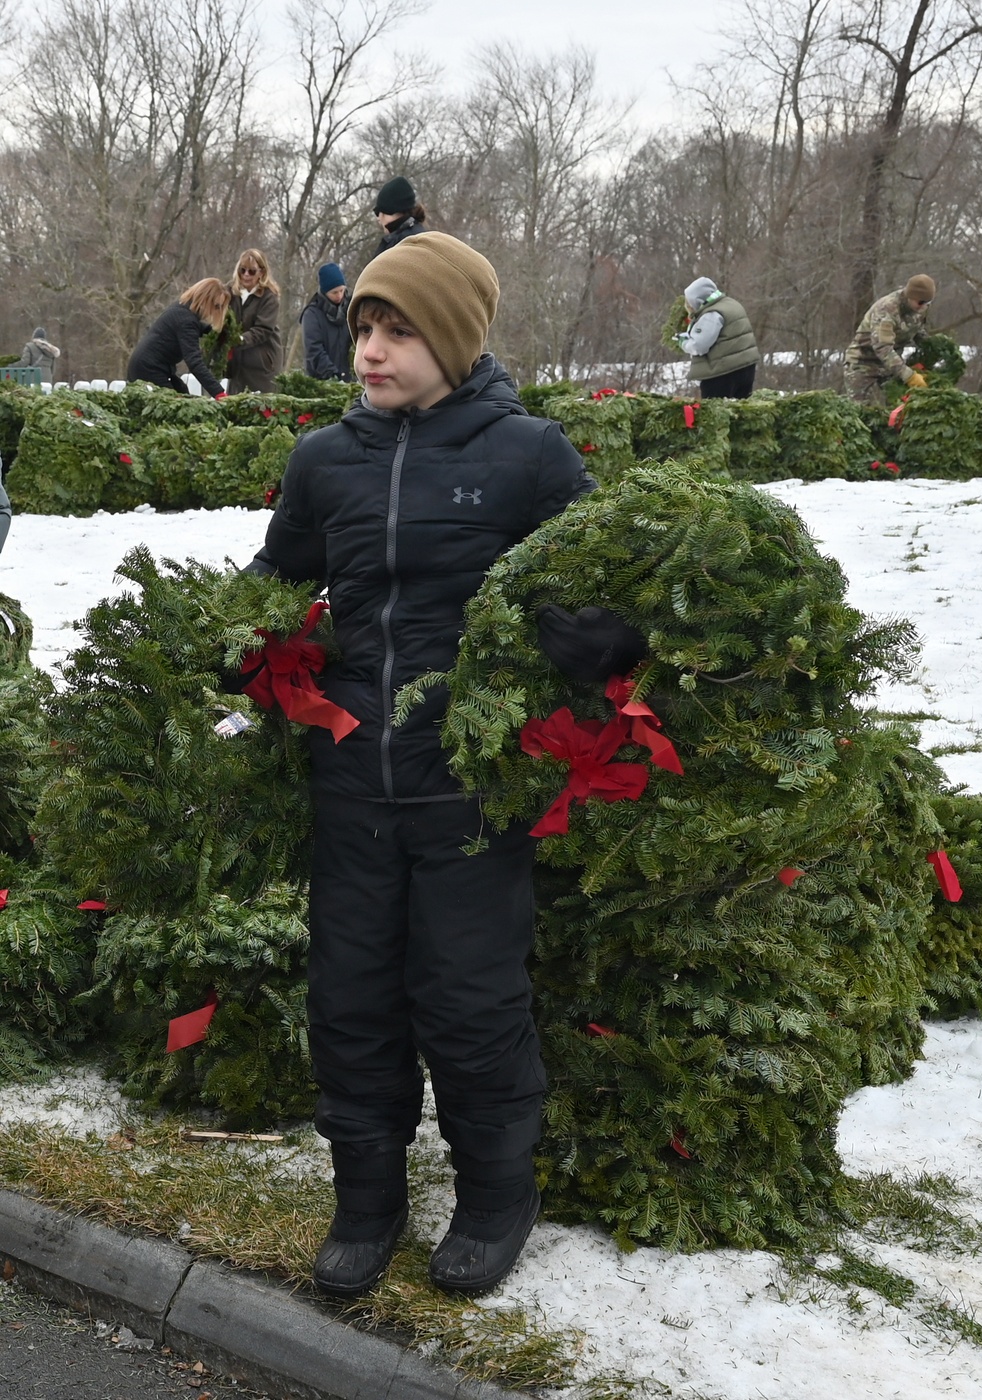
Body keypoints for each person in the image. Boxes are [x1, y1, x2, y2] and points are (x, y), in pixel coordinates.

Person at [243, 232, 640, 1300]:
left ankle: (494, 1192)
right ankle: (366, 1197)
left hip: (469, 789)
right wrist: (236, 641)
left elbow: (607, 599)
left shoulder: (529, 456)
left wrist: (587, 640)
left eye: (399, 330)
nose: (370, 349)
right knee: (351, 996)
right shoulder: (324, 459)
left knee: (468, 997)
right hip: (350, 783)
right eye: (365, 327)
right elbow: (277, 582)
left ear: (456, 341)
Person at [127, 280, 229, 398]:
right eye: (216, 306)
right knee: (175, 408)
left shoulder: (182, 309)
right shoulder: (186, 320)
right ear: (205, 299)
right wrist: (219, 393)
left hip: (148, 366)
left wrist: (213, 333)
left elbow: (195, 328)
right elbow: (195, 363)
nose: (215, 311)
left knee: (183, 395)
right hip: (149, 370)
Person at [844, 275, 935, 404]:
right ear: (910, 296)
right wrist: (909, 376)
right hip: (863, 361)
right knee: (859, 410)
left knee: (899, 405)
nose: (923, 306)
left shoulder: (921, 308)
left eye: (927, 302)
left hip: (891, 365)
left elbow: (917, 331)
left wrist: (931, 348)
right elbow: (883, 348)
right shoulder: (887, 309)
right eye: (920, 302)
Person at [674, 278, 759, 399]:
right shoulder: (731, 304)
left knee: (714, 413)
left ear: (697, 299)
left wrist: (683, 342)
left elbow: (699, 345)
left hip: (722, 374)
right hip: (746, 369)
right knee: (740, 412)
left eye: (689, 302)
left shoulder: (712, 314)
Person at [227, 249, 282, 393]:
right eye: (242, 270)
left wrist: (239, 340)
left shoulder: (269, 297)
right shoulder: (230, 292)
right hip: (237, 365)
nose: (246, 275)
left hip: (261, 367)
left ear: (261, 273)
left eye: (251, 271)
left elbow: (262, 330)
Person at [299, 263, 352, 381]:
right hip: (321, 380)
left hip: (350, 378)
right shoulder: (312, 315)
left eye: (342, 290)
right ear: (324, 291)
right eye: (334, 292)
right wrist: (333, 376)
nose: (339, 296)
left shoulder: (352, 308)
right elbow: (314, 350)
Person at [372, 175, 427, 257]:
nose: (378, 218)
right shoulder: (421, 237)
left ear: (390, 211)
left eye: (378, 212)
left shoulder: (401, 244)